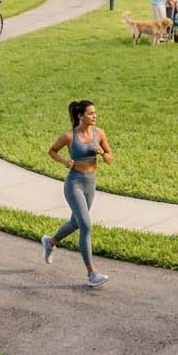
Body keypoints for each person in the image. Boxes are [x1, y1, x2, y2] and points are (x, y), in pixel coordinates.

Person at [42, 100, 113, 288]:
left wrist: (103, 154)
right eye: (90, 113)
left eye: (95, 113)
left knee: (75, 222)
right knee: (86, 225)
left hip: (90, 183)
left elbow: (110, 158)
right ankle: (92, 274)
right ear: (80, 116)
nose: (94, 116)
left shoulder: (100, 134)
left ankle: (50, 242)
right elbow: (52, 151)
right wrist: (64, 161)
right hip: (74, 183)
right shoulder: (69, 136)